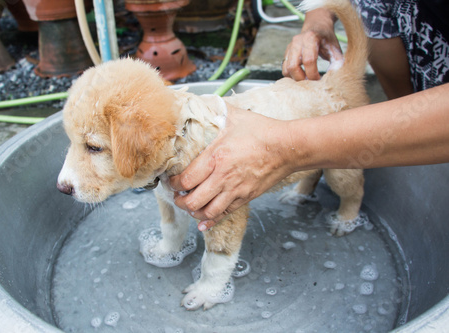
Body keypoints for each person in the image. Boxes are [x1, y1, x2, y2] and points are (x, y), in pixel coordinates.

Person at [170, 0, 449, 231]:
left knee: (344, 176)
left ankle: (349, 210)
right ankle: (311, 184)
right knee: (407, 107)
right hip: (403, 23)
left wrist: (288, 150)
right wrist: (318, 18)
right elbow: (405, 106)